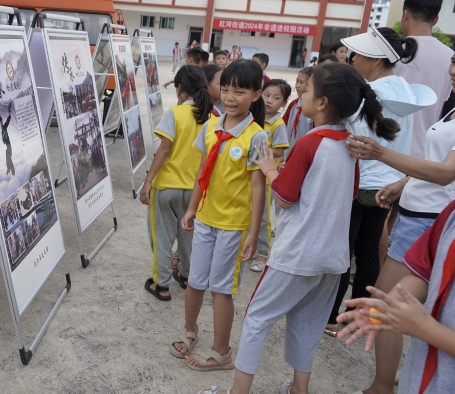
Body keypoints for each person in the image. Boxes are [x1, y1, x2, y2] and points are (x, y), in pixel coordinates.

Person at [198, 62, 399, 394]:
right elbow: (346, 194)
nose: (301, 93)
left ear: (322, 103)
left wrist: (267, 167)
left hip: (297, 254)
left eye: (307, 90)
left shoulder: (308, 143)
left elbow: (285, 197)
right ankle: (298, 390)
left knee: (256, 319)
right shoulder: (348, 143)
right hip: (333, 259)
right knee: (308, 324)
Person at [340, 50, 455, 394]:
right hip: (422, 217)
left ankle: (382, 385)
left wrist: (382, 154)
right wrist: (403, 183)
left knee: (392, 306)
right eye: (454, 61)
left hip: (429, 221)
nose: (452, 69)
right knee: (390, 303)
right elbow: (438, 164)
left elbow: (447, 172)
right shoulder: (451, 106)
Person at [324, 26, 432, 337]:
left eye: (358, 55)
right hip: (390, 185)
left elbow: (353, 140)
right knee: (369, 250)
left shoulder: (370, 93)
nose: (353, 59)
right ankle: (356, 313)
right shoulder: (406, 89)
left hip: (361, 183)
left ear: (375, 59)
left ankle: (331, 317)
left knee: (342, 252)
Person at [171, 60, 267, 371]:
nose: (230, 97)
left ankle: (221, 350)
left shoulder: (256, 137)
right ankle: (190, 330)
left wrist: (254, 232)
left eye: (239, 91)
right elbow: (203, 171)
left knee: (221, 287)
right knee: (196, 280)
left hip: (233, 226)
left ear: (255, 94)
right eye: (225, 89)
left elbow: (257, 187)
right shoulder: (212, 125)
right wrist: (191, 209)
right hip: (206, 219)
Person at [337, 197, 455, 394]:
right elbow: (423, 270)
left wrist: (424, 328)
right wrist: (382, 310)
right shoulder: (450, 214)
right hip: (421, 377)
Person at [139, 66, 214, 301]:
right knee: (188, 236)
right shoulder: (211, 117)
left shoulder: (175, 113)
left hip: (167, 186)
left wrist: (148, 180)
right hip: (195, 191)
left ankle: (161, 284)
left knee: (162, 237)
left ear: (180, 89)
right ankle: (186, 275)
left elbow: (164, 148)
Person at [396, 0, 453, 159]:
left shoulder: (394, 53)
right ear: (435, 20)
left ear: (405, 15)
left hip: (386, 151)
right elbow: (442, 104)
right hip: (423, 156)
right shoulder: (450, 58)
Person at [248, 79, 291, 273]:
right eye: (267, 95)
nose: (269, 101)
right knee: (249, 213)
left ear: (283, 103)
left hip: (266, 178)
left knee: (263, 216)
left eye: (276, 98)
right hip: (251, 175)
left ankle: (263, 253)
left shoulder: (278, 124)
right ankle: (251, 246)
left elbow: (280, 151)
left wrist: (258, 149)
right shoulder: (254, 117)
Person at [282, 67, 315, 154]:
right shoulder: (293, 104)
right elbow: (283, 124)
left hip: (304, 153)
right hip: (288, 151)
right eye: (297, 81)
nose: (297, 86)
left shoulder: (314, 108)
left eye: (302, 82)